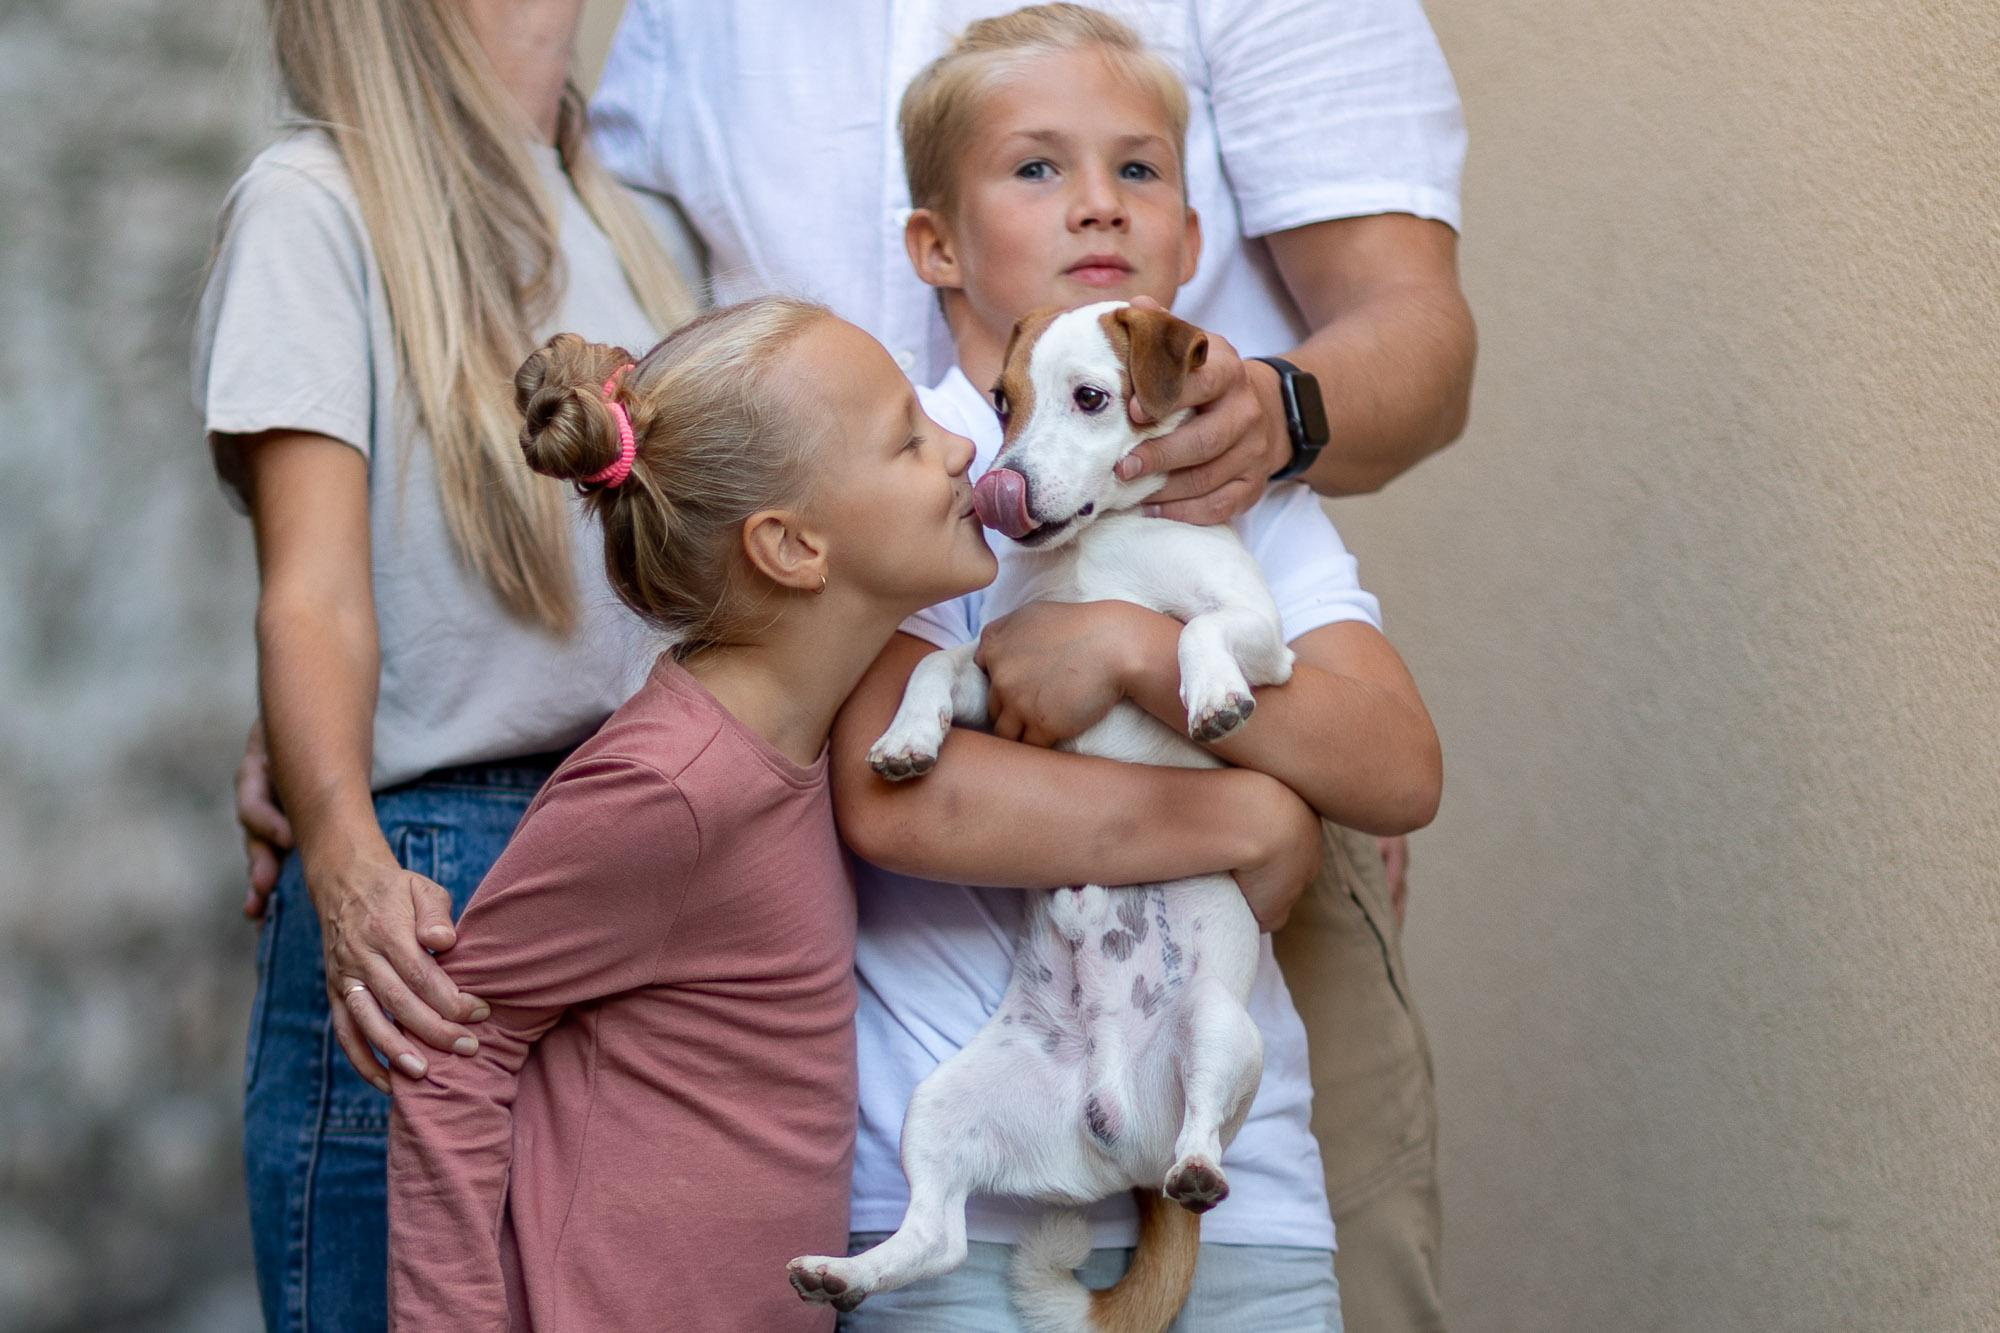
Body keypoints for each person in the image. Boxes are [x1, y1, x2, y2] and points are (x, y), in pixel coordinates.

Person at [591, 3, 1472, 1326]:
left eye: (1139, 171)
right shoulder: (907, 469)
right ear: (932, 245)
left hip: (1246, 1187)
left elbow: (1399, 765)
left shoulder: (1241, 487)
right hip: (959, 1175)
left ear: (1192, 237)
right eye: (1038, 169)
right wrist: (1251, 811)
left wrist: (1127, 649)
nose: (1098, 209)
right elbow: (901, 796)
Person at [192, 0, 699, 1325]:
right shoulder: (316, 200)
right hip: (441, 891)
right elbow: (310, 596)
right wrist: (348, 858)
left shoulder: (634, 217)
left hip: (660, 865)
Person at [388, 304, 997, 1330]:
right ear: (794, 546)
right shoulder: (670, 784)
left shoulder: (800, 737)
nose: (961, 447)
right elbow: (457, 1047)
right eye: (908, 438)